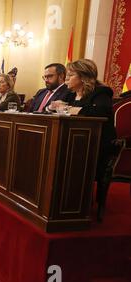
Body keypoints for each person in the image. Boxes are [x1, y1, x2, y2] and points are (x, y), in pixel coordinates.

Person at [64, 59, 117, 206]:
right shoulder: (70, 94)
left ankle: (74, 202)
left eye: (71, 75)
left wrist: (73, 110)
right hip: (74, 140)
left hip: (96, 144)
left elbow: (100, 112)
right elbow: (62, 108)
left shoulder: (101, 92)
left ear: (83, 77)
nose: (66, 79)